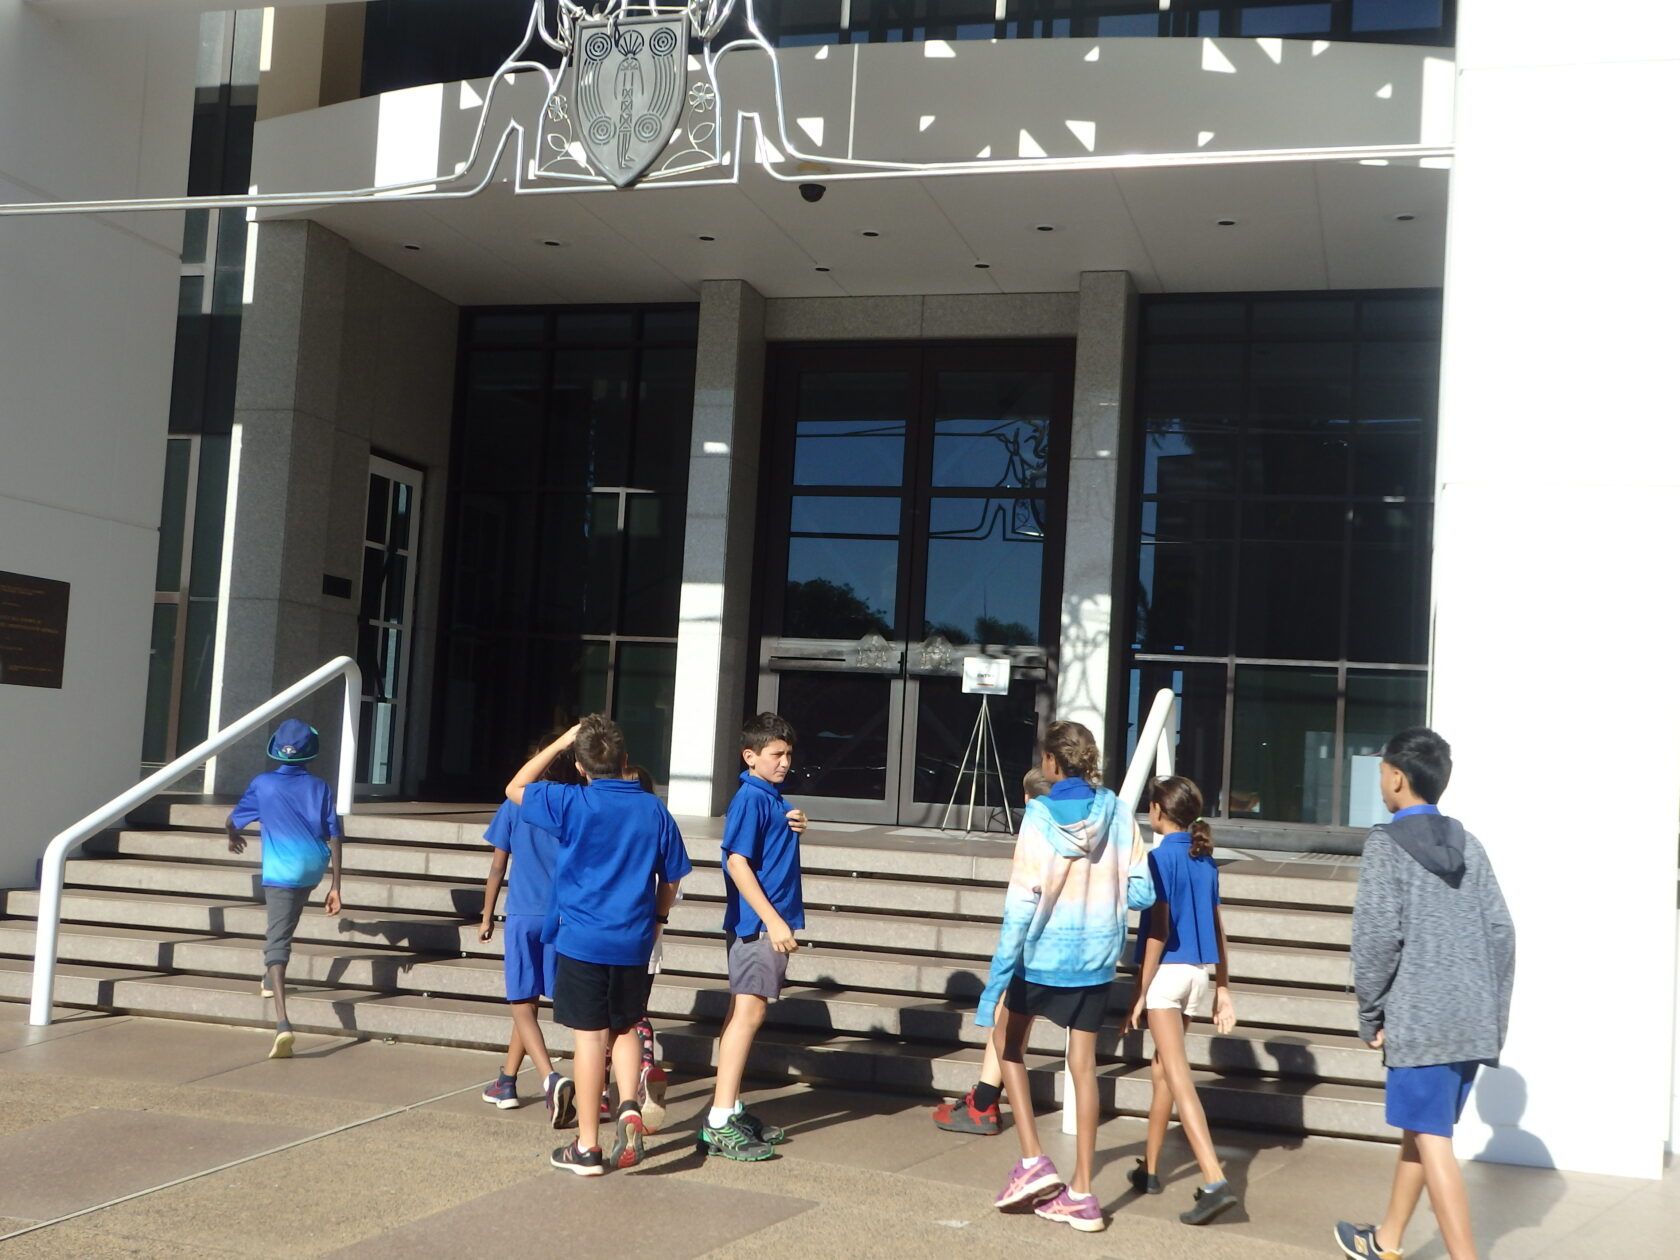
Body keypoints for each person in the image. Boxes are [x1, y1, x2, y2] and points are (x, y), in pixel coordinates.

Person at [1335, 729, 1515, 1260]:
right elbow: (1502, 934)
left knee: (1433, 1138)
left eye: (1381, 773)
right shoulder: (1470, 845)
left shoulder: (1386, 846)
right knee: (1423, 1128)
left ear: (1396, 777)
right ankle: (1386, 1240)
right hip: (1472, 1018)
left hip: (1421, 1021)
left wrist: (1370, 1014)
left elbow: (1375, 939)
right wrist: (1492, 1016)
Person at [977, 721, 1153, 1234]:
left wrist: (994, 986)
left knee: (1006, 1044)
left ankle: (1032, 1159)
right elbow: (1141, 893)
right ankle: (1082, 1192)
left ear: (1052, 763)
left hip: (1042, 955)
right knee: (1084, 1068)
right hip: (1096, 956)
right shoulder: (1119, 811)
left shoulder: (1037, 817)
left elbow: (1020, 906)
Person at [508, 717, 692, 1176]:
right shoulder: (653, 810)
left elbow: (516, 786)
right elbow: (671, 876)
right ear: (626, 760)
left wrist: (563, 743)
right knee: (627, 1027)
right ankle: (628, 1103)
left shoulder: (571, 801)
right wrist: (658, 918)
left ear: (580, 765)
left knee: (589, 1039)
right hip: (632, 937)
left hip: (581, 938)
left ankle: (587, 1146)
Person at [1124, 774, 1239, 1225]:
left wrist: (1138, 991)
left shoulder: (1157, 860)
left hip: (1166, 977)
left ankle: (1214, 1179)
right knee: (1162, 1075)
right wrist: (1224, 988)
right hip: (1197, 977)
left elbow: (1156, 931)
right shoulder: (1204, 860)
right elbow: (1217, 929)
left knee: (1176, 1075)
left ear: (1157, 811)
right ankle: (1150, 1169)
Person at [697, 712, 808, 1162]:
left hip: (759, 925)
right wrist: (773, 922)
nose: (785, 762)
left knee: (740, 1015)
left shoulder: (768, 797)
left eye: (788, 754)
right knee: (748, 1015)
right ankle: (721, 1119)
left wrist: (791, 820)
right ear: (751, 756)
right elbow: (737, 863)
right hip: (759, 928)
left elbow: (763, 846)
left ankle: (729, 1107)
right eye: (776, 754)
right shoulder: (749, 798)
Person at [932, 765, 1052, 1137]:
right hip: (1077, 942)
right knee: (1018, 1021)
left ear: (1028, 799)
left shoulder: (1035, 825)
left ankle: (985, 1106)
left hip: (1035, 938)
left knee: (1007, 1021)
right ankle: (984, 1100)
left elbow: (1023, 900)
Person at [224, 718, 343, 1060]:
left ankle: (282, 1023)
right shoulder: (320, 786)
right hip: (314, 865)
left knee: (276, 942)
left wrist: (233, 835)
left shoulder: (263, 784)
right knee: (286, 921)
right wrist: (335, 885)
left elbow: (233, 819)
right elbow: (334, 833)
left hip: (281, 870)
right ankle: (266, 980)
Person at [476, 732, 576, 1131]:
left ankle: (550, 1078)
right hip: (561, 915)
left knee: (521, 1001)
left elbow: (498, 866)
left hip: (522, 913)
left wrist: (486, 914)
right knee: (532, 1005)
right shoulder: (570, 806)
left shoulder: (515, 805)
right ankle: (506, 1081)